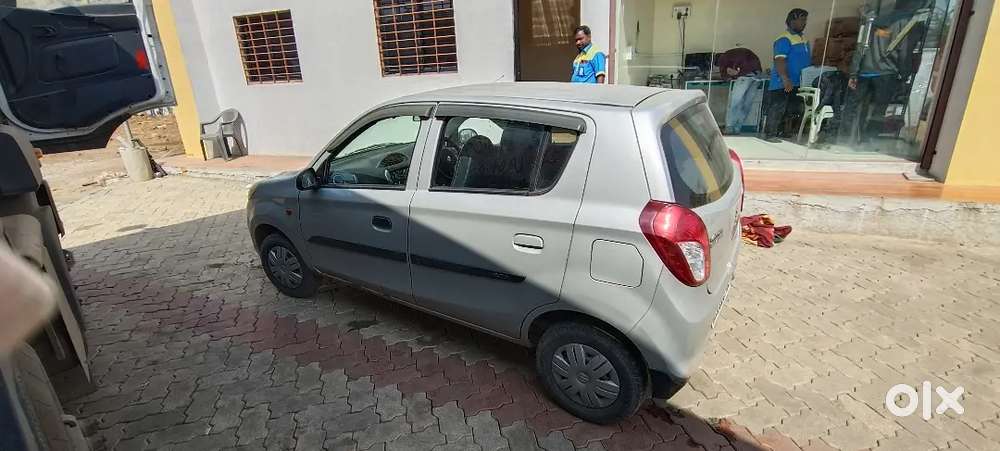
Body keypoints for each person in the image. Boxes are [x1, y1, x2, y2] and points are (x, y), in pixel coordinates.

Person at [840, 0, 927, 145]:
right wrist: (905, 74)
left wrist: (854, 73)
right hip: (886, 73)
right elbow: (904, 52)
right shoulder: (905, 23)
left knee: (853, 108)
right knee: (878, 111)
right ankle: (867, 141)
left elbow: (860, 47)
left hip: (865, 71)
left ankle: (844, 139)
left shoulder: (874, 21)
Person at [762, 8, 811, 142]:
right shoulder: (784, 39)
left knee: (791, 109)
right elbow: (779, 60)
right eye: (802, 20)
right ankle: (770, 134)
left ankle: (784, 131)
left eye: (805, 20)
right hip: (782, 81)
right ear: (792, 21)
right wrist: (785, 78)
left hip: (797, 82)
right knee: (778, 107)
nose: (804, 23)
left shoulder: (803, 39)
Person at [717, 48, 763, 135]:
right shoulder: (734, 53)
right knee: (746, 104)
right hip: (757, 75)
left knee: (735, 103)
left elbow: (725, 74)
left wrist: (731, 76)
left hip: (745, 76)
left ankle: (729, 128)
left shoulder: (723, 58)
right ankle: (737, 128)